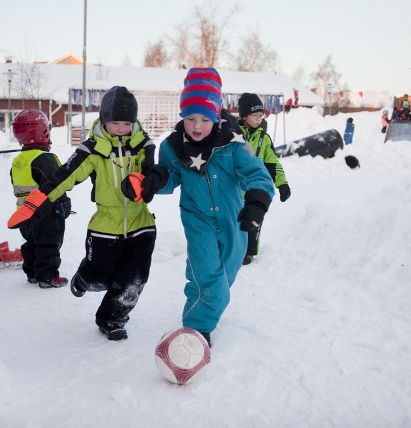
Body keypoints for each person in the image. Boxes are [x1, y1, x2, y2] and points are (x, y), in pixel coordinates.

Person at [123, 68, 274, 347]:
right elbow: (170, 177)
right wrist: (154, 181)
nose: (196, 125)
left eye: (204, 119)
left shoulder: (233, 143)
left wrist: (256, 204)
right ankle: (196, 329)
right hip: (197, 218)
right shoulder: (173, 146)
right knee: (212, 280)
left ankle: (201, 295)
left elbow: (258, 174)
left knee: (223, 274)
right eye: (190, 117)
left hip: (233, 217)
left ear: (216, 117)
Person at [8, 86, 157, 341]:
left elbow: (152, 173)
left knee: (135, 278)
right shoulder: (92, 150)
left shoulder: (144, 145)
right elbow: (63, 177)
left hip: (140, 222)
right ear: (104, 120)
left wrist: (149, 184)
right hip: (105, 225)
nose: (121, 129)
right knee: (100, 276)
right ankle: (85, 278)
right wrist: (37, 202)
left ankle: (113, 319)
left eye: (126, 123)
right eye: (115, 123)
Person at [10, 109, 70, 289]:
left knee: (31, 243)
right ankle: (48, 276)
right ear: (43, 131)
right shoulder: (44, 158)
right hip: (46, 213)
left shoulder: (19, 160)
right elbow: (56, 184)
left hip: (24, 213)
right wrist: (63, 203)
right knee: (49, 244)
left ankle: (32, 274)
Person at [237, 92, 291, 265]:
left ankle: (249, 252)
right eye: (255, 115)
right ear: (244, 116)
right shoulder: (234, 135)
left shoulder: (264, 139)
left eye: (262, 115)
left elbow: (273, 163)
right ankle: (232, 250)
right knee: (234, 221)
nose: (260, 118)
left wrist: (282, 184)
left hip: (254, 190)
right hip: (234, 189)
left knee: (254, 221)